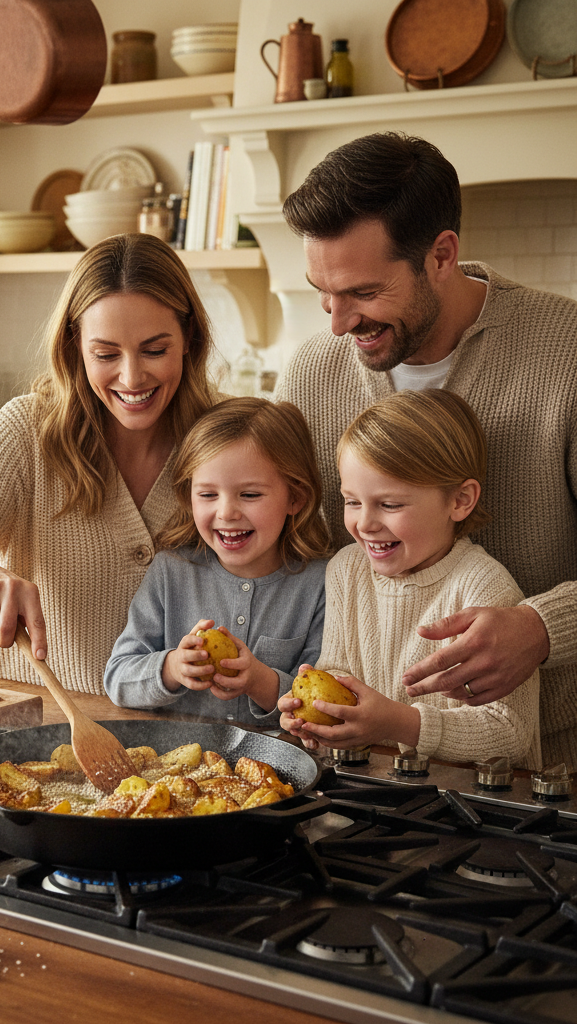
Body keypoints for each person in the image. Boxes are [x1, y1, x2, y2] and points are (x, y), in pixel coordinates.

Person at [276, 131, 577, 767]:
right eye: (323, 293)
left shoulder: (567, 354)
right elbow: (290, 544)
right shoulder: (311, 374)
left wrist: (544, 627)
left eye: (363, 293)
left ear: (441, 254)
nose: (337, 323)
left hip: (547, 773)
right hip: (366, 772)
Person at [0, 233, 216, 693]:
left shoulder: (228, 437)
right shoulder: (28, 431)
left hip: (188, 747)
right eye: (106, 354)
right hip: (34, 730)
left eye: (155, 350)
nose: (131, 376)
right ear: (75, 347)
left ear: (189, 339)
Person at [279, 389, 541, 768]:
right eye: (352, 501)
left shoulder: (483, 587)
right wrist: (314, 715)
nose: (364, 523)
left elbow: (509, 732)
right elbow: (338, 671)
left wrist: (400, 723)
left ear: (459, 500)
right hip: (380, 793)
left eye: (389, 504)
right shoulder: (346, 569)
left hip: (474, 807)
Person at [104, 397, 329, 723]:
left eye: (250, 494)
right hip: (178, 768)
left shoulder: (320, 584)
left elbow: (319, 705)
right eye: (208, 494)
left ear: (295, 497)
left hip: (278, 769)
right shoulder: (171, 572)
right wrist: (172, 668)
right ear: (189, 496)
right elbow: (118, 680)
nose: (226, 512)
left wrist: (258, 681)